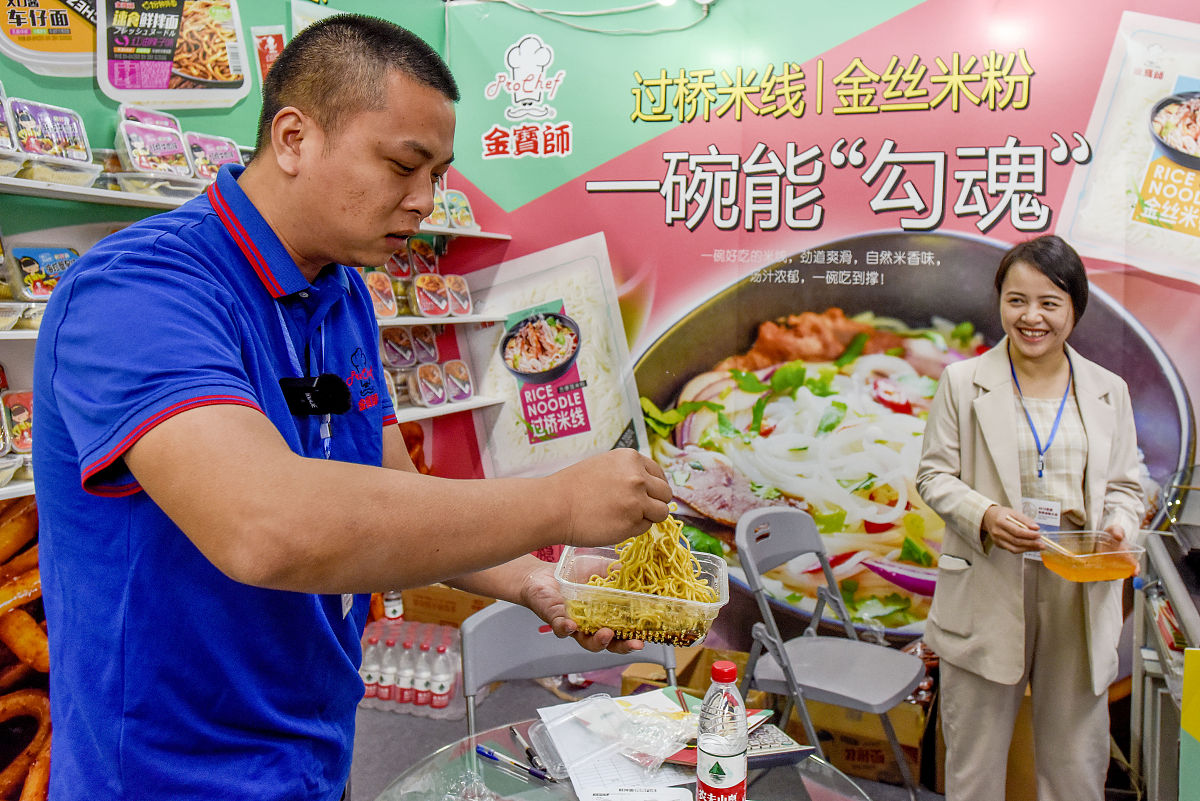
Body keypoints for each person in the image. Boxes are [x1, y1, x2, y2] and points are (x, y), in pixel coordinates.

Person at [32, 15, 671, 801]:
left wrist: (530, 577)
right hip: (167, 774)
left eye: (438, 173)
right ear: (295, 138)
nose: (424, 200)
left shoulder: (342, 295)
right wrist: (559, 503)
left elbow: (393, 490)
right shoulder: (140, 290)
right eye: (405, 165)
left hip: (315, 752)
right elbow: (265, 526)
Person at [916, 234, 1144, 801]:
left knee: (1075, 766)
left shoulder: (1108, 391)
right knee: (973, 762)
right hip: (990, 581)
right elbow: (933, 477)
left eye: (1050, 302)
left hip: (1078, 590)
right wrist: (986, 514)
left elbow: (1126, 486)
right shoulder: (962, 383)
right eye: (1017, 300)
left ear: (1075, 308)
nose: (1031, 317)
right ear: (999, 302)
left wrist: (1118, 525)